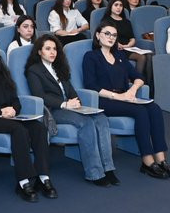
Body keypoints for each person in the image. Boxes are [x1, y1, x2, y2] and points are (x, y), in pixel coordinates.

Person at [0, 37, 55, 201]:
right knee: (19, 130)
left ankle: (43, 177)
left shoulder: (3, 73)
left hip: (10, 116)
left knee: (39, 127)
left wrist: (14, 109)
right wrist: (0, 110)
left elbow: (15, 99)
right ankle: (23, 181)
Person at [83, 24, 170, 178]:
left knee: (154, 108)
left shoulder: (120, 56)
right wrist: (118, 96)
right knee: (140, 111)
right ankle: (147, 161)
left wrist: (132, 90)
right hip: (104, 100)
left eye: (114, 35)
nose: (111, 37)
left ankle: (161, 159)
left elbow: (139, 77)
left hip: (125, 97)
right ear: (98, 35)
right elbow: (91, 85)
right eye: (107, 33)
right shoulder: (91, 56)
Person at [25, 34, 118, 186]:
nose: (52, 52)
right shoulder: (34, 70)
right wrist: (65, 104)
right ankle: (95, 173)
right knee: (86, 123)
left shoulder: (59, 67)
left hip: (70, 106)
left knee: (101, 118)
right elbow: (40, 96)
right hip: (54, 110)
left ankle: (108, 168)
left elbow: (70, 89)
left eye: (54, 49)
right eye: (48, 49)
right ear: (39, 52)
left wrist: (77, 102)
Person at [101, 0, 151, 82]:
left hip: (128, 47)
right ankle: (137, 81)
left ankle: (149, 84)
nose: (118, 7)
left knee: (150, 55)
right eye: (116, 5)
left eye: (121, 5)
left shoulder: (126, 21)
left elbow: (132, 38)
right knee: (141, 57)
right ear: (110, 6)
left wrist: (128, 45)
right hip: (115, 48)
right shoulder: (106, 21)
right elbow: (106, 37)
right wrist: (117, 44)